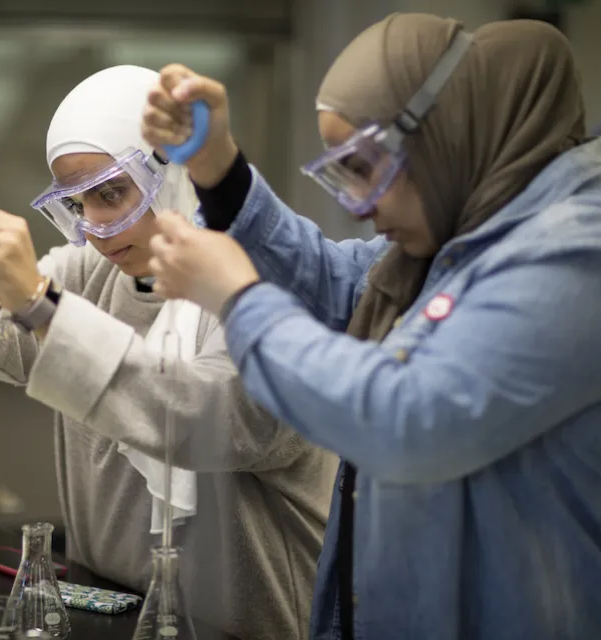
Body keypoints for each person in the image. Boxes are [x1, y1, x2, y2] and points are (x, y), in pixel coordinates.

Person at [140, 13, 601, 640]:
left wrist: (239, 299)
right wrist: (219, 170)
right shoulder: (456, 241)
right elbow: (336, 279)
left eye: (366, 169)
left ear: (444, 137)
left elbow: (409, 415)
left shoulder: (573, 253)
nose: (361, 205)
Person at [0, 65, 338, 640]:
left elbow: (225, 419)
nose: (98, 229)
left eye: (112, 193)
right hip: (116, 612)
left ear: (175, 170)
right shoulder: (87, 271)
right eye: (78, 204)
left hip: (258, 627)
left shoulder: (266, 275)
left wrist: (42, 305)